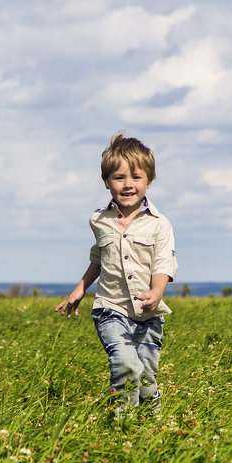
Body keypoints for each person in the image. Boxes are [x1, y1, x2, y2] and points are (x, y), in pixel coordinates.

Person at [55, 132, 177, 412]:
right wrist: (79, 290)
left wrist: (157, 292)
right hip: (110, 308)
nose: (128, 184)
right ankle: (119, 422)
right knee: (125, 364)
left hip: (149, 315)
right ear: (107, 182)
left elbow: (163, 264)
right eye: (119, 178)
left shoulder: (160, 224)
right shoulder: (99, 220)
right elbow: (100, 257)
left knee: (145, 377)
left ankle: (149, 423)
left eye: (136, 177)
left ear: (149, 180)